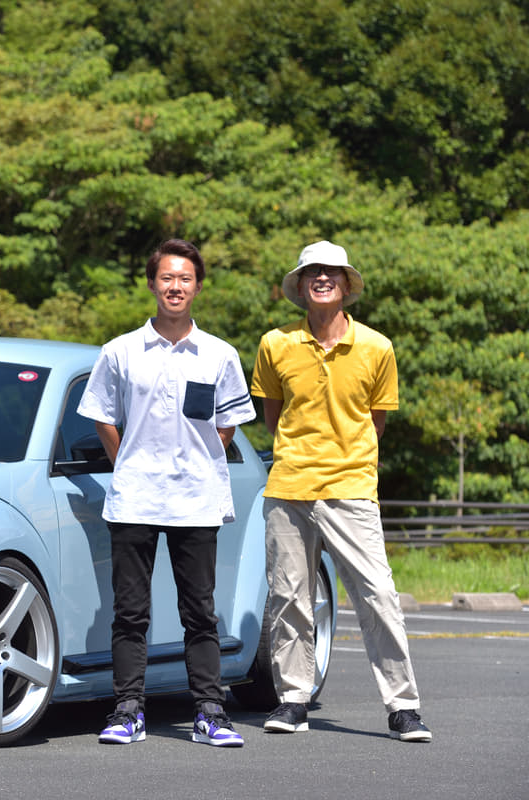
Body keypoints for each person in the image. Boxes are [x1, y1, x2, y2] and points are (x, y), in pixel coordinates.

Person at [250, 240, 432, 742]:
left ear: (347, 285)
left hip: (351, 486)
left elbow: (376, 421)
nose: (322, 278)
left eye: (332, 272)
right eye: (312, 272)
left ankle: (403, 706)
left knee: (378, 596)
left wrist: (343, 456)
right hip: (289, 486)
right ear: (301, 286)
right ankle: (293, 700)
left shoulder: (378, 347)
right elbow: (274, 416)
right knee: (289, 598)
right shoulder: (275, 343)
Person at [78, 238, 256, 747]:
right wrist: (128, 464)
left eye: (185, 278)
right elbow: (101, 417)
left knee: (199, 610)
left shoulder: (220, 354)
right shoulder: (120, 351)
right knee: (130, 612)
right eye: (166, 278)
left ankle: (209, 711)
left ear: (197, 286)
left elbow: (226, 428)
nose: (175, 287)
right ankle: (128, 709)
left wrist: (191, 462)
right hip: (134, 496)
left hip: (197, 497)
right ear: (152, 283)